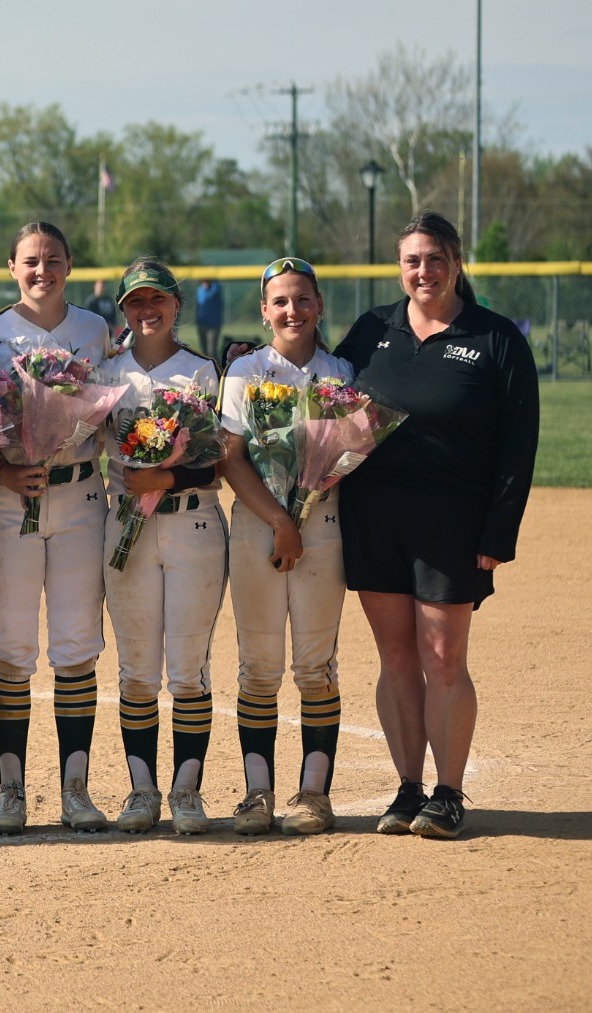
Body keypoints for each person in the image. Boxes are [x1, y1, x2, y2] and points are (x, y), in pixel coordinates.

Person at [335, 211, 538, 839]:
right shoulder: (373, 329)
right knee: (396, 657)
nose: (423, 271)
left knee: (444, 656)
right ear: (400, 267)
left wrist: (498, 533)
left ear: (455, 262)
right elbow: (323, 394)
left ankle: (448, 793)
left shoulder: (495, 338)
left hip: (452, 522)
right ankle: (408, 789)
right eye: (412, 261)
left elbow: (519, 445)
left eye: (434, 258)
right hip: (374, 516)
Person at [0, 222, 115, 834]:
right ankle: (11, 790)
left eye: (53, 259)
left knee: (77, 644)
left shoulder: (94, 329)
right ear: (12, 267)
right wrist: (0, 468)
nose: (41, 271)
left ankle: (75, 789)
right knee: (9, 647)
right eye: (30, 260)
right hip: (11, 496)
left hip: (79, 492)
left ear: (69, 265)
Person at [216, 258, 351, 835]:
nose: (292, 310)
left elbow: (350, 449)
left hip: (322, 523)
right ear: (264, 311)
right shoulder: (246, 370)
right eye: (280, 302)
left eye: (302, 299)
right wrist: (279, 520)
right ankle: (257, 793)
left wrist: (304, 509)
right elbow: (230, 458)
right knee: (258, 666)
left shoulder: (340, 370)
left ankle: (314, 794)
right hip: (258, 523)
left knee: (316, 665)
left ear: (319, 305)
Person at [102, 259, 227, 835]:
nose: (147, 309)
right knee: (136, 672)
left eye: (157, 299)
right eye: (135, 301)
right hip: (127, 521)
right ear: (123, 310)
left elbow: (218, 461)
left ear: (177, 304)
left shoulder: (201, 371)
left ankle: (186, 791)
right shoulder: (107, 372)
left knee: (188, 671)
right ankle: (142, 790)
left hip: (192, 524)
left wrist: (166, 477)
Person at [195, 279, 224, 357]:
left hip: (213, 325)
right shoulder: (200, 290)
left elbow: (216, 287)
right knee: (204, 352)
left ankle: (217, 365)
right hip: (201, 323)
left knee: (211, 352)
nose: (205, 283)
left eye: (207, 280)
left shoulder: (215, 289)